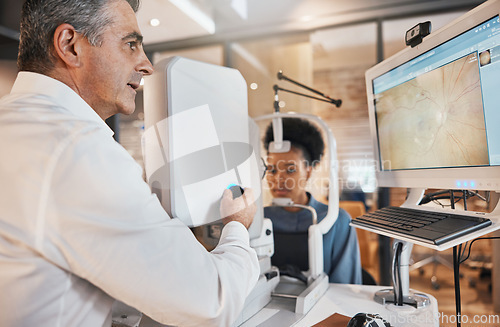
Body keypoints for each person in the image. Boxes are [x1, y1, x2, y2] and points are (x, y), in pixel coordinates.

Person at [0, 1, 259, 326]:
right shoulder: (78, 149)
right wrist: (236, 225)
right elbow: (211, 302)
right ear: (70, 46)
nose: (146, 65)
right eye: (131, 45)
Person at [263, 117, 362, 284]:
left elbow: (345, 287)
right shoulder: (260, 219)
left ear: (308, 172)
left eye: (290, 170)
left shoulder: (336, 220)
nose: (279, 179)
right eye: (272, 170)